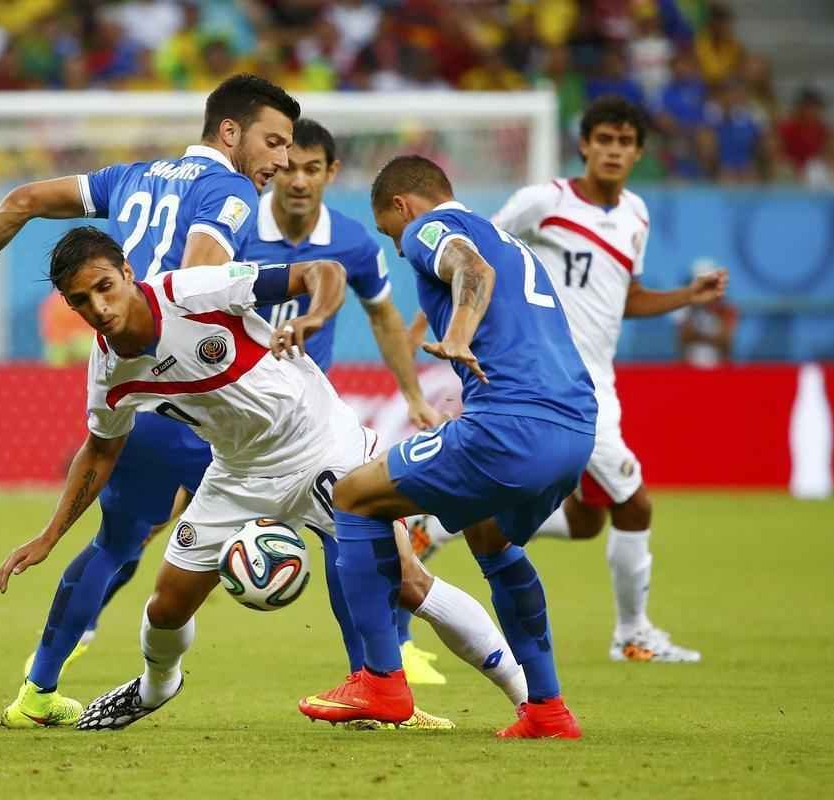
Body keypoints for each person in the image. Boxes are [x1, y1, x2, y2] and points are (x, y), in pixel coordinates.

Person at [0, 228, 527, 732]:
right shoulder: (110, 371)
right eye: (81, 301)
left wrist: (314, 316)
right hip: (238, 473)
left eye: (104, 287)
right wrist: (49, 535)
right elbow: (100, 451)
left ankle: (531, 701)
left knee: (407, 582)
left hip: (324, 446)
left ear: (128, 273)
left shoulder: (193, 291)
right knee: (165, 606)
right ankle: (156, 688)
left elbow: (322, 272)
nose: (99, 308)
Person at [0, 74, 299, 728]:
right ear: (229, 133)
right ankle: (381, 672)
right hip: (198, 393)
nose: (280, 161)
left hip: (128, 386)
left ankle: (38, 688)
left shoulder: (134, 177)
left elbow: (24, 197)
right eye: (272, 142)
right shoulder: (226, 191)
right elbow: (194, 278)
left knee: (118, 543)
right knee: (346, 508)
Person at [63, 117, 451, 688]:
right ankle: (92, 637)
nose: (297, 180)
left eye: (312, 170)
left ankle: (382, 665)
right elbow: (184, 294)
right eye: (288, 165)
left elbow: (384, 318)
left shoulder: (354, 243)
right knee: (148, 529)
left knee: (355, 538)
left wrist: (414, 393)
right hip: (212, 418)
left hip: (302, 420)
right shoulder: (236, 226)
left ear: (330, 173)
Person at [300, 155, 598, 739]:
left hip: (510, 425)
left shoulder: (427, 229)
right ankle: (546, 709)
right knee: (492, 539)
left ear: (402, 207)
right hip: (575, 428)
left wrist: (457, 331)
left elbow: (470, 268)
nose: (396, 243)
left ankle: (381, 680)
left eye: (390, 230)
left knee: (355, 495)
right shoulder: (515, 242)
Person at [491, 96, 726, 662]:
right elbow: (479, 254)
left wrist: (686, 297)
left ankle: (471, 518)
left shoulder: (635, 216)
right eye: (604, 140)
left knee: (588, 518)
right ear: (585, 145)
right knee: (636, 504)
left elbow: (626, 298)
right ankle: (633, 635)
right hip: (555, 377)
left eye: (625, 142)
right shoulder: (544, 201)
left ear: (638, 151)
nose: (614, 151)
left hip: (601, 380)